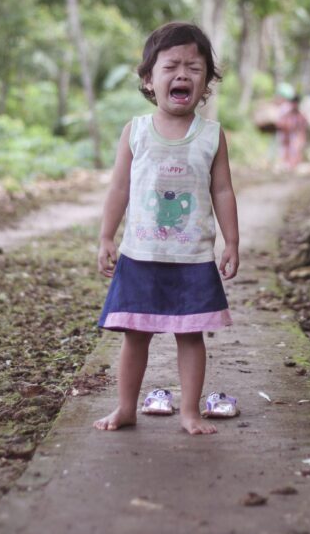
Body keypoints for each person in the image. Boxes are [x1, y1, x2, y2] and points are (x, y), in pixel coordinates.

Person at [94, 22, 239, 436]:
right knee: (134, 337)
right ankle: (125, 408)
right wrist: (106, 236)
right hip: (140, 255)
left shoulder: (211, 136)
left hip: (192, 258)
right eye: (170, 66)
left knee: (191, 337)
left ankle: (189, 412)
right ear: (148, 80)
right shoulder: (135, 132)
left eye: (194, 68)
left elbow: (224, 191)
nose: (182, 75)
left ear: (207, 82)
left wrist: (232, 241)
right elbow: (119, 187)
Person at [276, 94, 308, 170]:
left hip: (297, 137)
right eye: (293, 103)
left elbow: (303, 126)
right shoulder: (286, 115)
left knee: (296, 151)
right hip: (287, 137)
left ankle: (294, 165)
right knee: (286, 151)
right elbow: (280, 125)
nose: (294, 105)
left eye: (296, 103)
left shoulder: (301, 115)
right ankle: (287, 165)